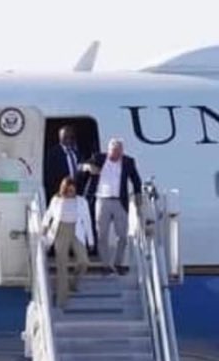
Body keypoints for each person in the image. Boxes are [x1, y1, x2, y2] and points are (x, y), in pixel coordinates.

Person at [80, 137, 143, 273]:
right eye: (113, 152)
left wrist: (138, 196)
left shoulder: (128, 162)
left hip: (120, 201)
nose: (115, 155)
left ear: (122, 151)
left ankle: (118, 263)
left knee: (122, 235)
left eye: (118, 152)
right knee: (102, 234)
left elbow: (136, 180)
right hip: (102, 200)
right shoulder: (98, 158)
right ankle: (105, 265)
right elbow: (81, 166)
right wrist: (88, 167)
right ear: (108, 150)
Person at [41, 177, 93, 309]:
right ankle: (61, 300)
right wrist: (44, 227)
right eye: (68, 189)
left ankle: (73, 282)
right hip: (60, 231)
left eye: (73, 189)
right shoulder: (56, 200)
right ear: (63, 189)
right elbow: (49, 215)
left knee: (84, 261)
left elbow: (87, 221)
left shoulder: (81, 201)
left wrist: (90, 240)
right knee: (62, 266)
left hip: (76, 231)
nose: (71, 192)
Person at [43, 125, 85, 203]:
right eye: (65, 137)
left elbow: (82, 173)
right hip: (61, 195)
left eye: (71, 137)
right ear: (60, 138)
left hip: (77, 194)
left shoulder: (78, 154)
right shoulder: (53, 154)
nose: (68, 140)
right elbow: (49, 177)